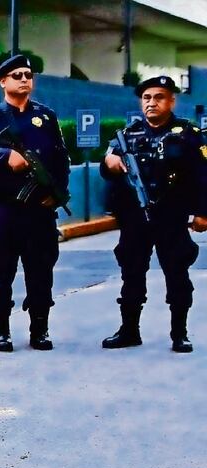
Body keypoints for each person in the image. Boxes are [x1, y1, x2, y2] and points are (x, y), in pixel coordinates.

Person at [0, 55, 70, 352]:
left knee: (41, 270)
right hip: (4, 207)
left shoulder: (46, 116)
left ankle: (40, 329)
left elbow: (61, 157)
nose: (24, 79)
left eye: (28, 75)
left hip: (39, 208)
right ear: (3, 82)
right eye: (17, 75)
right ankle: (1, 330)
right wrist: (5, 157)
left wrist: (59, 192)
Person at [100, 75, 207, 353]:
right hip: (135, 218)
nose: (151, 103)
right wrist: (110, 161)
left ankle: (179, 334)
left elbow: (204, 176)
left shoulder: (189, 135)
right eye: (147, 98)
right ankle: (129, 331)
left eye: (159, 97)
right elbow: (107, 167)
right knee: (132, 274)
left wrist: (202, 212)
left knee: (177, 275)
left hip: (172, 216)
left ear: (172, 101)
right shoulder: (128, 135)